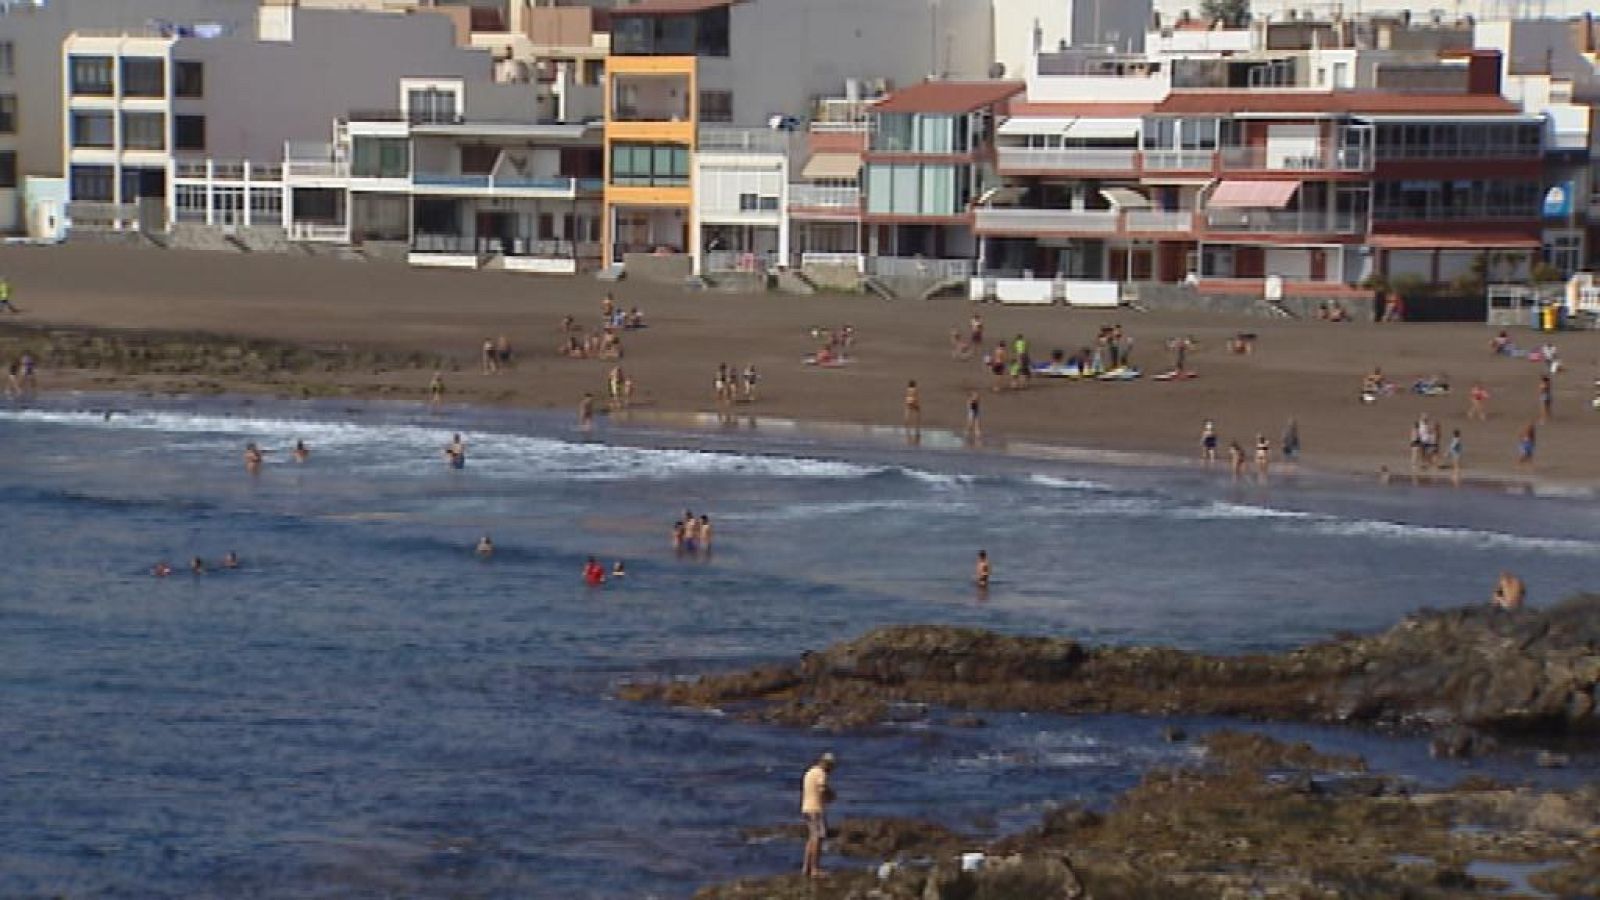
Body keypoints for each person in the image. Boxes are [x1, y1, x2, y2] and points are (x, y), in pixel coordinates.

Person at [801, 752, 837, 879]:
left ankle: (806, 867)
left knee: (811, 838)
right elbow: (822, 789)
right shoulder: (821, 774)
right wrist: (831, 795)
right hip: (816, 809)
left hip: (806, 807)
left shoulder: (810, 772)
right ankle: (815, 869)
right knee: (818, 838)